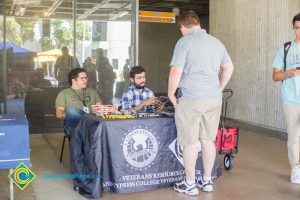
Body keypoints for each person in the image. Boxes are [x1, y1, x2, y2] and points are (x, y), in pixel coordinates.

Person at [168, 10, 234, 196]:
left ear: (183, 26)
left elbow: (175, 72)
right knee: (208, 140)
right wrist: (219, 88)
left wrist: (171, 93)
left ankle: (189, 184)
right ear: (197, 23)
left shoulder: (184, 42)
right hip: (213, 99)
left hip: (191, 98)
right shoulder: (216, 42)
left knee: (189, 141)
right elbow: (229, 67)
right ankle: (207, 181)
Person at [272, 13, 300, 184]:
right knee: (294, 135)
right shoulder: (285, 48)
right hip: (291, 99)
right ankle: (296, 167)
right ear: (293, 28)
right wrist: (289, 72)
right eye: (297, 28)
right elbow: (275, 76)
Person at [55, 68, 102, 136]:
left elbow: (100, 110)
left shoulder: (92, 92)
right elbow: (59, 114)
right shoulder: (64, 94)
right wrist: (72, 115)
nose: (85, 80)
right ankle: (86, 123)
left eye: (86, 78)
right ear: (74, 80)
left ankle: (87, 126)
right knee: (72, 111)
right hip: (75, 126)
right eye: (82, 78)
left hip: (92, 124)